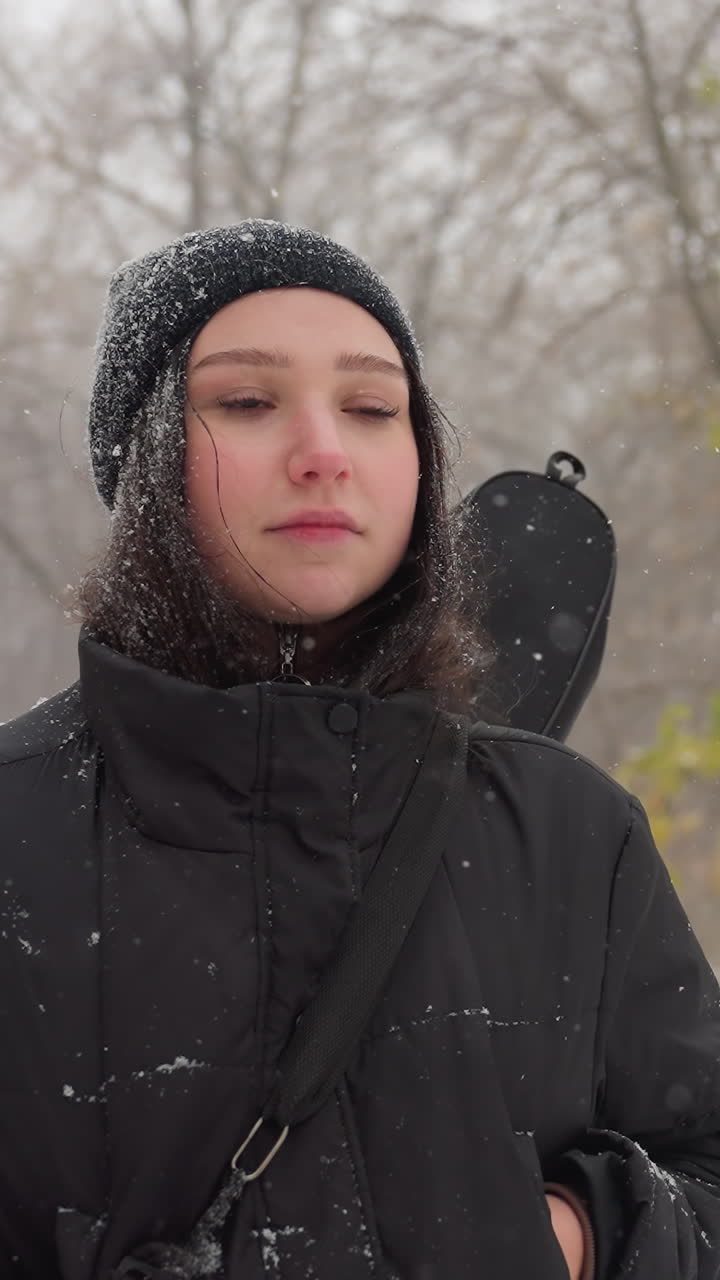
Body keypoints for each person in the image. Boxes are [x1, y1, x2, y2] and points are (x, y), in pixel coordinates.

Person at [1, 220, 719, 1280]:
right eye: (246, 401)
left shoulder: (573, 829)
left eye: (375, 407)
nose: (325, 450)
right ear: (147, 458)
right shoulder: (19, 835)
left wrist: (571, 1238)